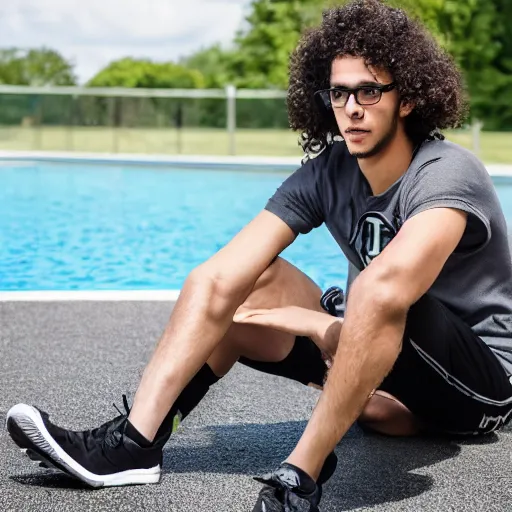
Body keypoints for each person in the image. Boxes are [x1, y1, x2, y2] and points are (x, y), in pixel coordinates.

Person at [7, 0, 512, 510]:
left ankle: (301, 477)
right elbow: (218, 277)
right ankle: (133, 445)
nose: (352, 108)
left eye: (369, 90)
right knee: (244, 280)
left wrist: (323, 325)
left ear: (406, 99)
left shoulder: (448, 171)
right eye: (339, 93)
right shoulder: (329, 172)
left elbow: (392, 290)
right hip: (389, 372)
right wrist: (313, 323)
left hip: (480, 384)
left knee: (376, 291)